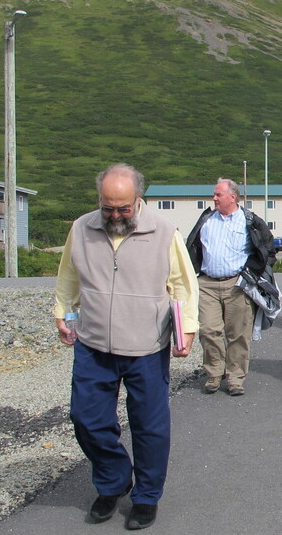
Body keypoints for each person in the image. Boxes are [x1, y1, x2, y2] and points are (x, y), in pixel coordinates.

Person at [53, 164, 199, 530]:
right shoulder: (81, 228)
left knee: (149, 427)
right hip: (93, 342)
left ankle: (146, 497)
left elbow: (183, 285)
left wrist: (189, 330)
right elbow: (69, 274)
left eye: (123, 208)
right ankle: (114, 481)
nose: (115, 215)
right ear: (99, 200)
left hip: (146, 345)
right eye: (107, 208)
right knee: (86, 420)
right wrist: (63, 311)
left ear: (138, 199)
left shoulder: (164, 231)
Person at [185, 178, 276, 397]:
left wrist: (252, 275)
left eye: (218, 195)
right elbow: (193, 247)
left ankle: (235, 378)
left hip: (237, 284)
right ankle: (215, 373)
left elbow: (267, 250)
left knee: (238, 334)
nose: (214, 198)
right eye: (214, 194)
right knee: (208, 330)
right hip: (207, 283)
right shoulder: (206, 219)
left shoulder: (250, 221)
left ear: (232, 197)